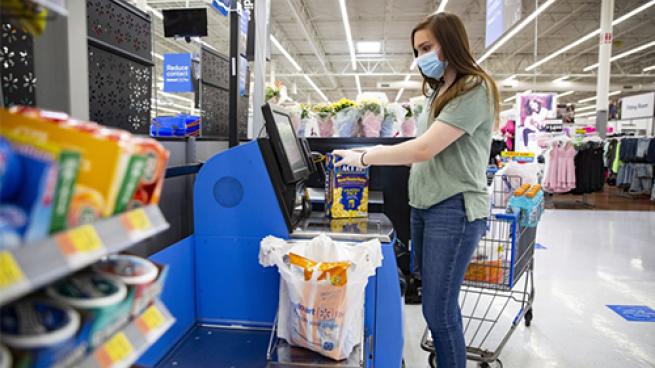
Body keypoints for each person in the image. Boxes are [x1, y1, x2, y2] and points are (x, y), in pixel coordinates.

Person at [332, 12, 500, 368]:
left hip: (453, 209)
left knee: (438, 310)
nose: (420, 56)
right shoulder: (439, 92)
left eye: (426, 47)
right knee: (435, 303)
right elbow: (421, 148)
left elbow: (424, 149)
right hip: (426, 207)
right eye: (416, 50)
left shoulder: (474, 88)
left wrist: (366, 156)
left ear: (450, 45)